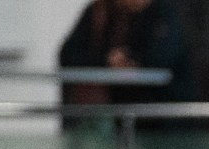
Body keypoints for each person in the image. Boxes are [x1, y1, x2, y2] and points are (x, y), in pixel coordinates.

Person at [57, 0, 198, 106]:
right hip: (116, 116)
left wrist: (129, 60)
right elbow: (68, 54)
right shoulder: (100, 12)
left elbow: (160, 58)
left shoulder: (164, 14)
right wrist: (107, 61)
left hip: (164, 118)